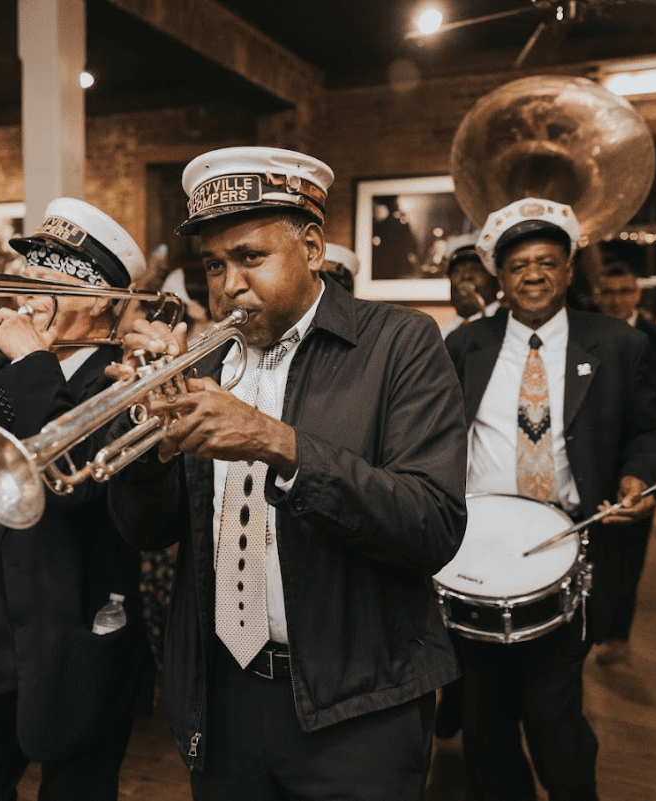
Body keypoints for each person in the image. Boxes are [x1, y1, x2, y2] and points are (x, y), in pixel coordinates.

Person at [106, 146, 468, 799]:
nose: (229, 284)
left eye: (250, 257)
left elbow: (433, 523)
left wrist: (278, 443)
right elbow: (147, 532)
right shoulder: (202, 362)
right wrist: (147, 455)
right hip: (223, 696)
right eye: (214, 265)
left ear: (313, 248)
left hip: (359, 705)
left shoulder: (401, 343)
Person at [0, 198, 154, 800]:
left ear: (99, 298)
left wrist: (35, 359)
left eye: (46, 279)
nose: (25, 292)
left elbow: (80, 484)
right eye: (26, 274)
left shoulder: (127, 377)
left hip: (73, 653)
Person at [445, 197, 656, 800]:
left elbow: (650, 432)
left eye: (547, 261)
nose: (533, 274)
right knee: (484, 717)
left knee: (552, 712)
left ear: (569, 270)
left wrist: (637, 478)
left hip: (569, 546)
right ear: (499, 276)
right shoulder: (465, 345)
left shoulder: (619, 344)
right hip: (478, 551)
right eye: (518, 265)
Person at [591, 263, 656, 664]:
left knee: (630, 549)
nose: (616, 300)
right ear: (598, 295)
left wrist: (638, 394)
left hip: (640, 454)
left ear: (636, 294)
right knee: (591, 546)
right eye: (608, 292)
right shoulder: (583, 333)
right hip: (592, 456)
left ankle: (617, 634)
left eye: (624, 291)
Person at [439, 234, 500, 338]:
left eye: (476, 269)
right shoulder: (440, 336)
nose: (466, 275)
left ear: (497, 279)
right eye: (457, 270)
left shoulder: (510, 328)